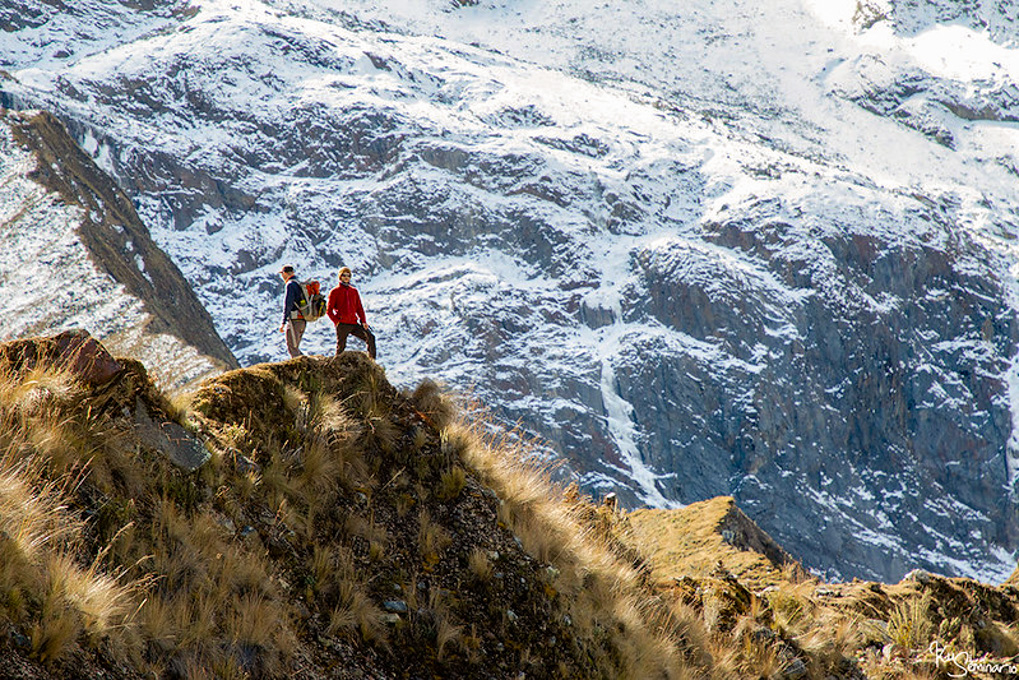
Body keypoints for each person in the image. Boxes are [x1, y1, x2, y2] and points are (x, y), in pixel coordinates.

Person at [327, 267, 376, 359]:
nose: (346, 277)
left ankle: (372, 361)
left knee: (370, 337)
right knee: (341, 347)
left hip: (354, 323)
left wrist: (363, 321)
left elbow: (359, 308)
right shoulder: (335, 291)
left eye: (348, 275)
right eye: (344, 275)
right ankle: (336, 366)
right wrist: (337, 322)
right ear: (340, 277)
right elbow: (329, 310)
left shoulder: (354, 291)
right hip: (342, 324)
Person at [278, 264, 306, 358]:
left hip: (295, 320)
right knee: (295, 347)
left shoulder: (290, 285)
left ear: (285, 274)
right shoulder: (298, 283)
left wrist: (283, 321)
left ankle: (302, 369)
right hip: (303, 319)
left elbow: (288, 303)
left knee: (292, 347)